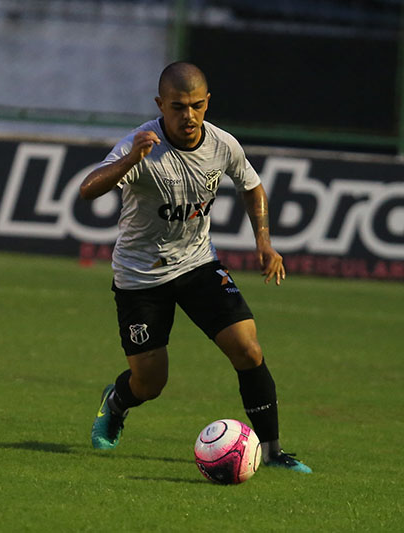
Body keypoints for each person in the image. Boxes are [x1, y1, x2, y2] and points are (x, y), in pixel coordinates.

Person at [79, 62, 311, 473]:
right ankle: (116, 402)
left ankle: (273, 452)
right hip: (141, 277)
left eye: (197, 106)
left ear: (207, 103)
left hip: (198, 264)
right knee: (150, 383)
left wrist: (263, 243)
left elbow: (251, 184)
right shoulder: (141, 143)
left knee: (247, 347)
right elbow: (87, 190)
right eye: (178, 107)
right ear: (160, 105)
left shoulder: (222, 144)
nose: (189, 116)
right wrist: (131, 158)